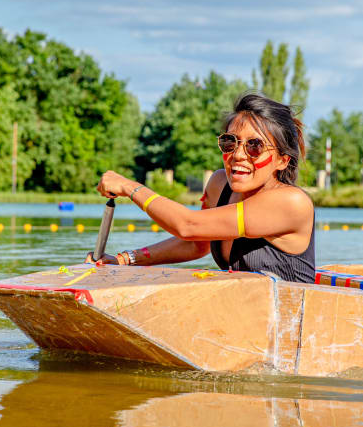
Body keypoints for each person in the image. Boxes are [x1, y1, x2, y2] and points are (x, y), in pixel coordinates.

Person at [88, 91, 315, 283]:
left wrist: (130, 187)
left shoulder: (290, 203)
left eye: (254, 146)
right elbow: (196, 244)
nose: (237, 155)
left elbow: (188, 226)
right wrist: (125, 260)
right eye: (230, 142)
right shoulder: (218, 184)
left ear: (282, 160)